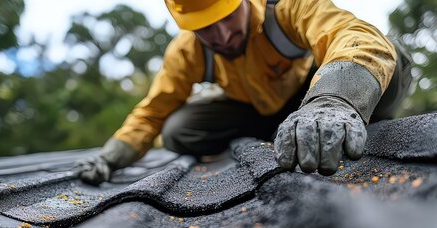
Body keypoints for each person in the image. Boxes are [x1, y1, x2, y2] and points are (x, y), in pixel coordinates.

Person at [77, 0, 412, 184]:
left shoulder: (286, 8)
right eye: (205, 27)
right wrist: (110, 157)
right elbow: (152, 112)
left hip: (311, 96)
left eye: (226, 16)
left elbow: (354, 36)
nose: (221, 36)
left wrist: (333, 100)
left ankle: (340, 119)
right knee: (177, 129)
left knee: (392, 57)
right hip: (254, 112)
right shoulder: (186, 52)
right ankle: (283, 133)